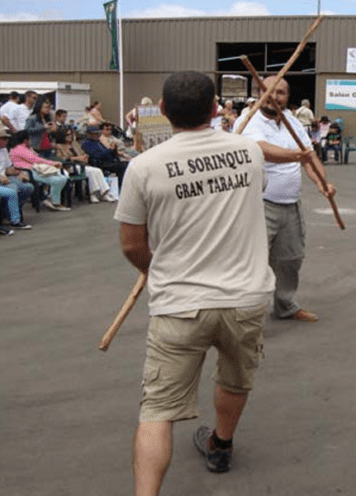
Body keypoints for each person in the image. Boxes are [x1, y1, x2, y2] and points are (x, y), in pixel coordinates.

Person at [114, 71, 274, 495]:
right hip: (245, 297)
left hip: (178, 303)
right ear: (217, 106)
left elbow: (131, 245)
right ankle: (221, 443)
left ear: (162, 109)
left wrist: (156, 268)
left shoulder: (143, 167)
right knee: (235, 378)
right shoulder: (250, 152)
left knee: (157, 410)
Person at [237, 76, 336, 323]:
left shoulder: (292, 121)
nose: (275, 96)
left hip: (290, 204)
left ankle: (284, 304)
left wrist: (322, 183)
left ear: (287, 97)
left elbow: (310, 157)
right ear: (260, 93)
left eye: (281, 92)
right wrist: (298, 155)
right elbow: (261, 150)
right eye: (269, 91)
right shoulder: (249, 118)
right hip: (260, 203)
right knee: (255, 261)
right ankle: (246, 313)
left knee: (290, 258)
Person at [9, 130, 70, 211]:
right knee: (58, 179)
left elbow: (36, 158)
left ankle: (51, 198)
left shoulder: (25, 148)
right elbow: (34, 159)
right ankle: (55, 202)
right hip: (28, 172)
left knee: (63, 178)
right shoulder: (19, 148)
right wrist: (51, 163)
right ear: (25, 140)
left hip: (36, 170)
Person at [54, 127, 115, 202]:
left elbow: (82, 152)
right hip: (69, 166)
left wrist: (85, 156)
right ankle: (93, 193)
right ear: (62, 136)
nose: (70, 136)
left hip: (81, 164)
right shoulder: (59, 146)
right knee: (92, 172)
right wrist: (77, 158)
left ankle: (104, 193)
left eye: (71, 134)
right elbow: (61, 159)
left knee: (97, 171)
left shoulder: (74, 144)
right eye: (67, 135)